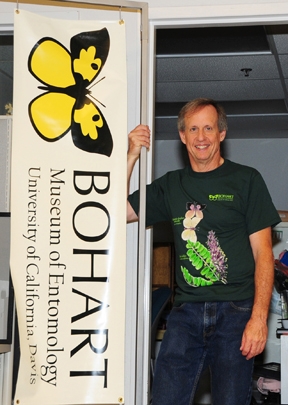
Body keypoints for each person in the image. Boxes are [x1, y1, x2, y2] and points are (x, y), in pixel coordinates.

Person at [127, 98, 281, 405]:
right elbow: (112, 212)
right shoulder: (170, 185)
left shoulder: (246, 180)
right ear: (182, 136)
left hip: (236, 313)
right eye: (193, 129)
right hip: (185, 314)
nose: (201, 137)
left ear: (221, 133)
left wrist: (258, 319)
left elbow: (264, 254)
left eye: (208, 128)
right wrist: (130, 155)